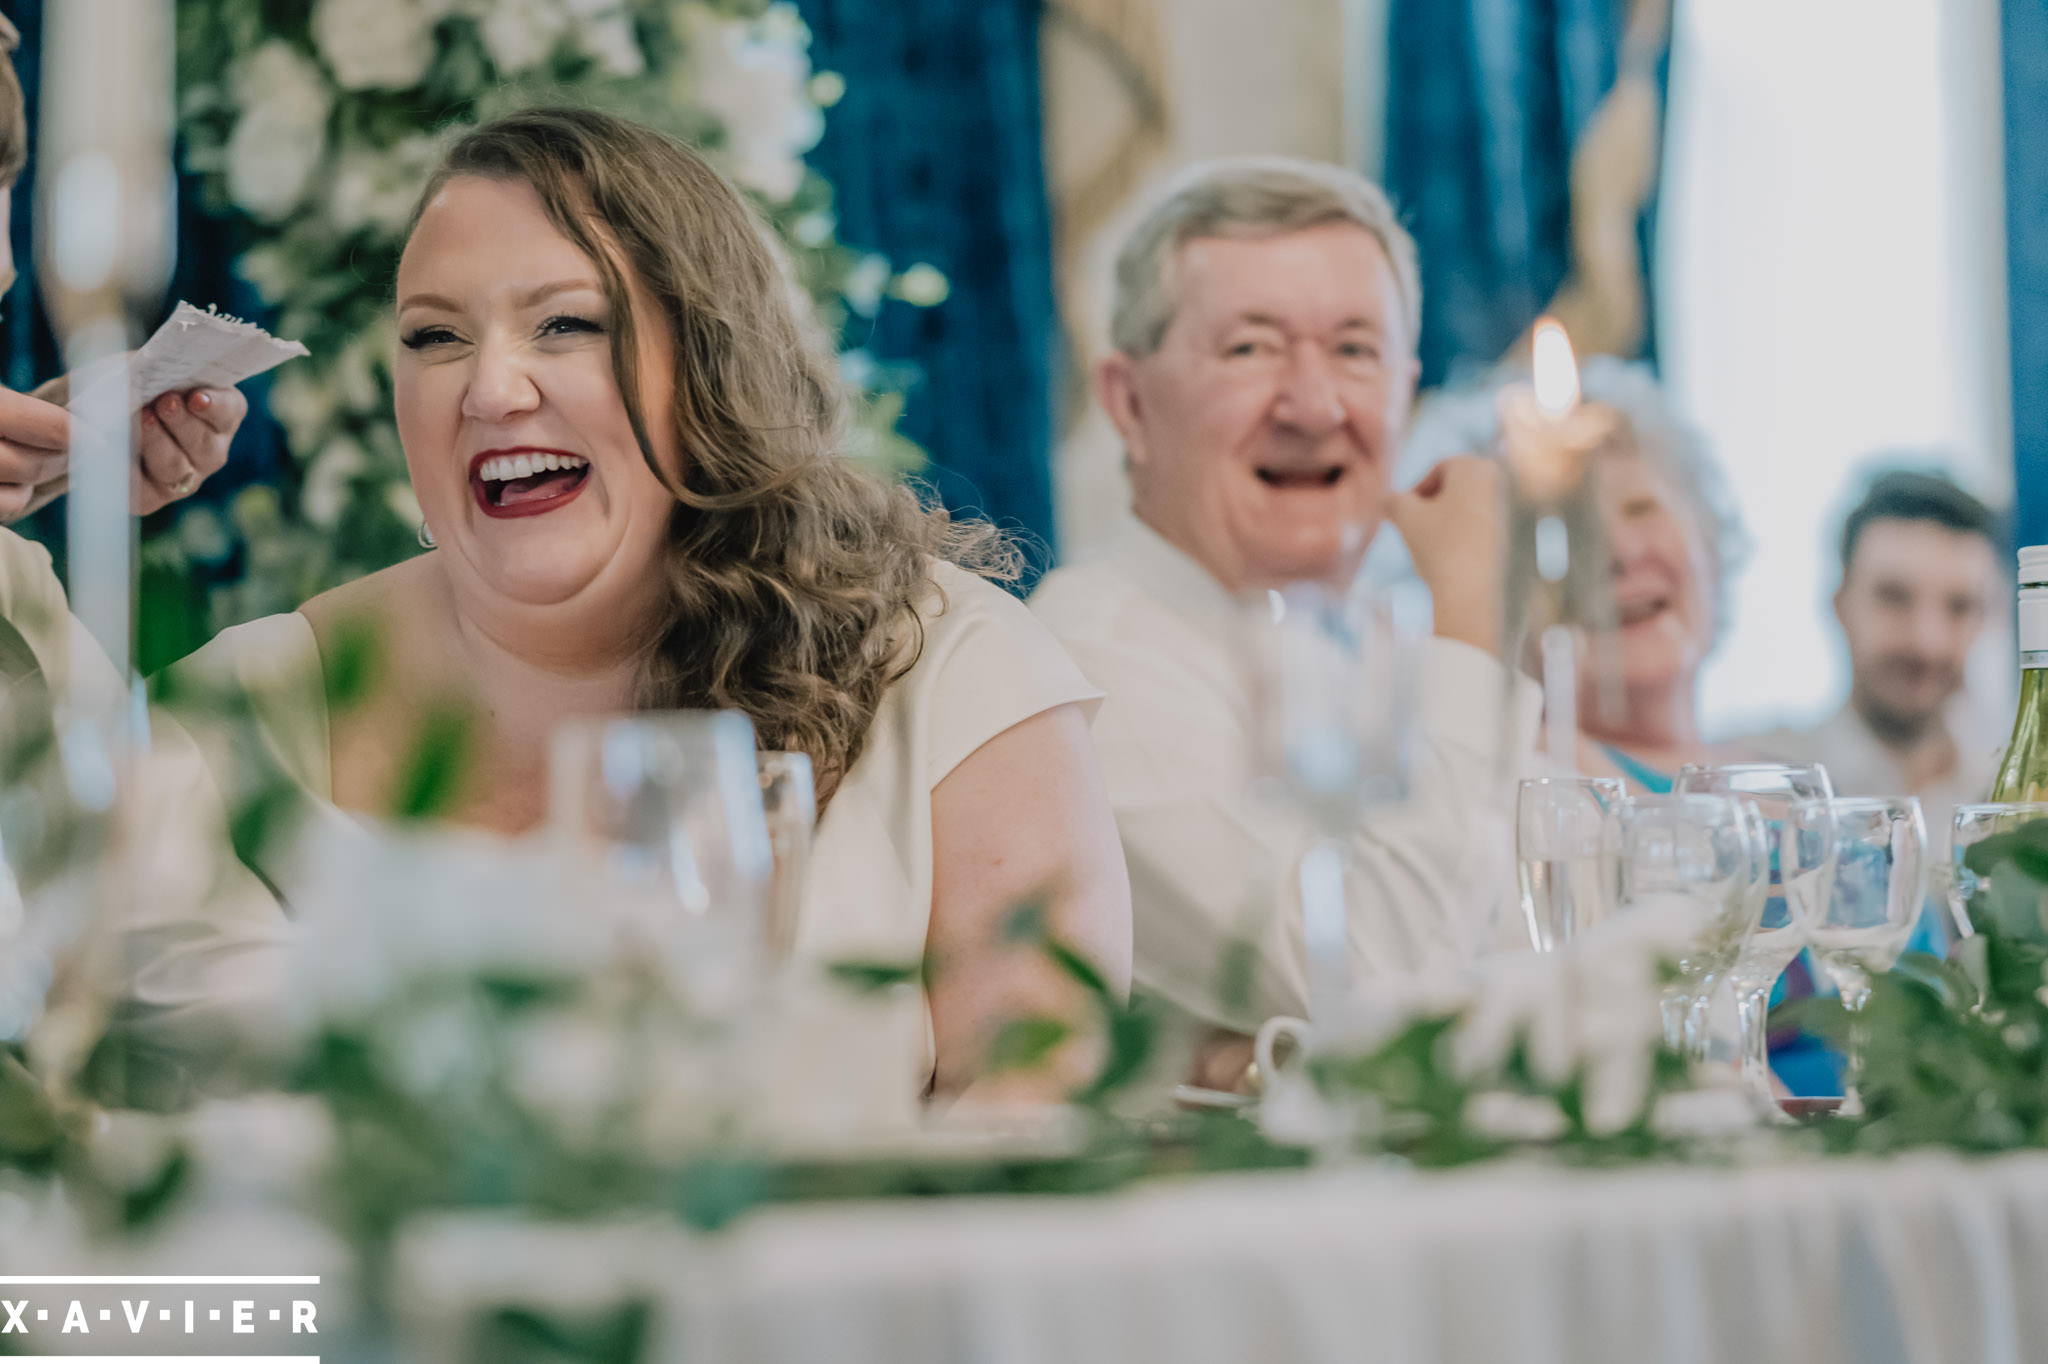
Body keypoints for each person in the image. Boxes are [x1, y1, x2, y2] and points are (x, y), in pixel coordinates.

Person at [166, 108, 1132, 1103]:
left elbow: (1043, 1125)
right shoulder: (243, 711)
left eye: (566, 324)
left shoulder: (951, 674)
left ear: (711, 362)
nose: (491, 389)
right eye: (435, 336)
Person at [1028, 157, 1535, 1087]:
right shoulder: (1086, 668)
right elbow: (1386, 983)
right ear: (1129, 405)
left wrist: (1270, 1060)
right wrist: (1471, 619)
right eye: (1251, 349)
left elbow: (1583, 979)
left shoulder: (1399, 660)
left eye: (1355, 350)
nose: (1314, 405)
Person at [1745, 469, 2003, 847]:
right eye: (1894, 597)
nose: (1926, 642)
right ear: (1841, 606)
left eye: (1959, 606)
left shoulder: (2017, 800)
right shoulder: (1755, 787)